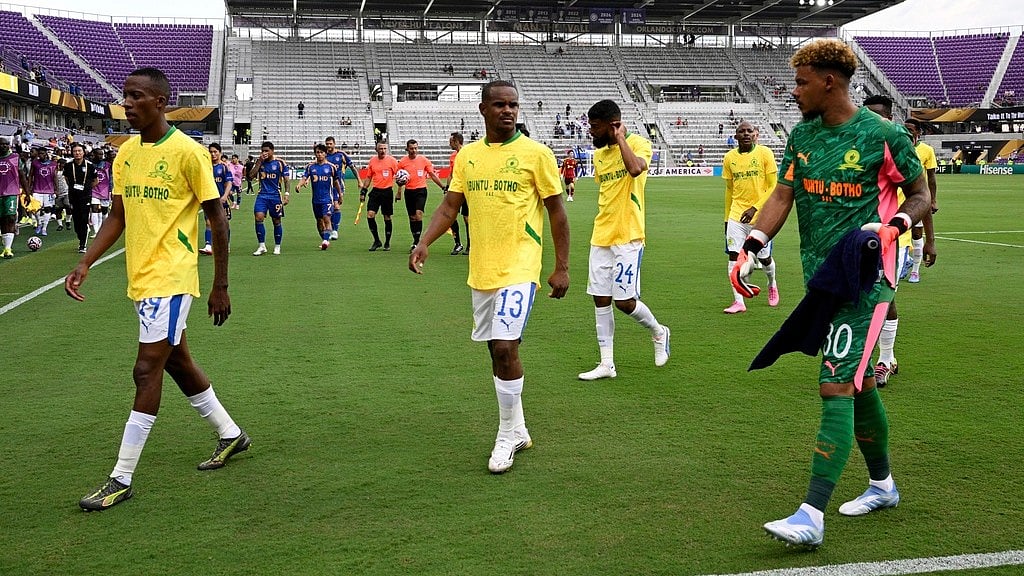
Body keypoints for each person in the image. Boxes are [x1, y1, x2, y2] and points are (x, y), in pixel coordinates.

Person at [733, 39, 931, 548]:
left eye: (801, 82)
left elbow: (921, 193)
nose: (794, 91)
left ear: (830, 81)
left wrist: (898, 224)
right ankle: (883, 486)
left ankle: (811, 514)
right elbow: (783, 194)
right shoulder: (801, 135)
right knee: (859, 383)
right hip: (821, 280)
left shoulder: (882, 135)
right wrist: (753, 244)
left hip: (868, 280)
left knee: (836, 385)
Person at [65, 67, 248, 511]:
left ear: (161, 102)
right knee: (176, 362)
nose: (126, 104)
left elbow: (217, 219)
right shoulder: (125, 153)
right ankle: (231, 434)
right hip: (141, 277)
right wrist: (86, 261)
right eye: (125, 96)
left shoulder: (188, 153)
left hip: (173, 275)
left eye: (136, 96)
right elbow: (118, 215)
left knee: (146, 369)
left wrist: (220, 284)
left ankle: (120, 477)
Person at [409, 80, 569, 474]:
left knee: (503, 346)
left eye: (513, 104)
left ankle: (505, 435)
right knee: (494, 349)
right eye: (499, 105)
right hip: (482, 269)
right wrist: (425, 241)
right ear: (483, 109)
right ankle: (519, 427)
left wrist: (562, 266)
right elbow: (450, 205)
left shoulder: (536, 154)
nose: (508, 111)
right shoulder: (468, 156)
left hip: (521, 265)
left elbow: (557, 212)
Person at [577, 99, 670, 381]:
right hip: (601, 234)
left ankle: (658, 331)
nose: (591, 132)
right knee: (601, 299)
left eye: (595, 127)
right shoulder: (598, 156)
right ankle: (607, 364)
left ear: (612, 124)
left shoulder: (639, 143)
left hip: (629, 234)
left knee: (625, 301)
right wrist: (610, 141)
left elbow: (634, 169)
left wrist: (620, 139)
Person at [861, 97, 937, 388]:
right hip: (862, 239)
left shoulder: (903, 151)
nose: (874, 121)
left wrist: (929, 239)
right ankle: (877, 357)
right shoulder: (862, 147)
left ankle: (884, 360)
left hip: (896, 238)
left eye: (879, 116)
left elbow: (921, 198)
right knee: (862, 298)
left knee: (884, 298)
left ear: (890, 117)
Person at [722, 121, 780, 313]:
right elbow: (729, 190)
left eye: (749, 131)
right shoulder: (729, 158)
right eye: (741, 131)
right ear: (735, 136)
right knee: (733, 256)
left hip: (762, 217)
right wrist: (726, 218)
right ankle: (739, 302)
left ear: (756, 134)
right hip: (736, 216)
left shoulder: (765, 153)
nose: (746, 134)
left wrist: (755, 208)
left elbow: (772, 186)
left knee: (764, 259)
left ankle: (772, 283)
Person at [903, 118, 937, 284]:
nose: (908, 132)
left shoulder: (926, 150)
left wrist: (933, 200)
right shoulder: (898, 147)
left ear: (918, 132)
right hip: (898, 198)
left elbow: (931, 177)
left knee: (917, 234)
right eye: (905, 128)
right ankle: (902, 261)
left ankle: (915, 270)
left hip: (918, 198)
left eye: (911, 129)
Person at [397, 139, 447, 252]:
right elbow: (399, 179)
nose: (414, 150)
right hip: (409, 191)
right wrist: (399, 191)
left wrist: (443, 187)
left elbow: (432, 175)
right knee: (412, 217)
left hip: (421, 191)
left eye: (415, 148)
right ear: (407, 149)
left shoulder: (423, 160)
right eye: (411, 148)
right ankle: (415, 239)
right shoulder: (402, 162)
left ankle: (417, 241)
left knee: (418, 214)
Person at [296, 143, 341, 250]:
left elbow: (336, 182)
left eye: (321, 152)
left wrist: (340, 195)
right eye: (317, 152)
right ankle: (324, 239)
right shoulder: (310, 167)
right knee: (319, 221)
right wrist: (299, 185)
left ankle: (326, 240)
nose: (319, 154)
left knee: (327, 219)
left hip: (327, 199)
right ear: (315, 154)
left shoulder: (331, 167)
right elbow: (304, 177)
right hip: (316, 200)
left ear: (325, 154)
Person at [249, 141, 289, 256]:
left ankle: (277, 246)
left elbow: (286, 179)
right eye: (262, 151)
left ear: (272, 151)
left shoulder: (280, 162)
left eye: (267, 151)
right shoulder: (259, 162)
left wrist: (286, 194)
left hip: (275, 196)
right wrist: (258, 163)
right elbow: (250, 177)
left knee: (276, 221)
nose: (264, 153)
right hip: (262, 195)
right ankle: (262, 246)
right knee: (258, 217)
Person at [357, 140, 399, 251]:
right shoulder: (372, 161)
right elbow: (368, 178)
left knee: (387, 217)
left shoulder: (392, 161)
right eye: (381, 148)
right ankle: (377, 240)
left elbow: (399, 176)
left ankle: (387, 242)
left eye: (385, 148)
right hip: (375, 192)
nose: (383, 151)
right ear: (376, 149)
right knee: (370, 215)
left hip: (387, 192)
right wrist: (363, 191)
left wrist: (399, 190)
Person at [199, 143, 235, 255]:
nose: (213, 154)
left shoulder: (224, 166)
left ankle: (226, 245)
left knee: (224, 223)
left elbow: (229, 182)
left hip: (221, 200)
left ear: (220, 152)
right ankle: (208, 246)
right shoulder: (206, 166)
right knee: (209, 222)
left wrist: (225, 196)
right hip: (209, 199)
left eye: (215, 152)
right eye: (211, 152)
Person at [63, 142, 97, 253]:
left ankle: (83, 244)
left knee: (84, 219)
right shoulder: (68, 165)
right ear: (72, 153)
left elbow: (96, 181)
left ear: (83, 152)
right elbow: (67, 179)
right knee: (76, 221)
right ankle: (80, 236)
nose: (77, 153)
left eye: (79, 151)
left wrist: (86, 188)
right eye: (75, 151)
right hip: (73, 196)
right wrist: (74, 188)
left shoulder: (90, 165)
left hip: (85, 196)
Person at [0, 137, 29, 259]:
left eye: (6, 144)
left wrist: (27, 193)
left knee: (10, 218)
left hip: (11, 193)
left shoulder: (15, 158)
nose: (4, 146)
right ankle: (4, 246)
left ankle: (8, 248)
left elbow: (22, 176)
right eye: (2, 144)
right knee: (1, 220)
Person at [324, 136, 358, 240]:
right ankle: (329, 229)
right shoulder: (324, 155)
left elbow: (352, 167)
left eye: (330, 144)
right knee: (328, 210)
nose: (329, 146)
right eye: (327, 144)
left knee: (336, 206)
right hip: (326, 187)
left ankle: (335, 231)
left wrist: (359, 180)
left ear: (334, 144)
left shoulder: (341, 155)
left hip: (338, 185)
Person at [28, 147, 59, 236]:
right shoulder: (35, 163)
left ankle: (44, 228)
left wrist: (56, 189)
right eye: (39, 153)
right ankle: (39, 223)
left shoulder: (53, 164)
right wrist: (29, 187)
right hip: (37, 189)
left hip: (49, 190)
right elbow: (30, 175)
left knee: (48, 209)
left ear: (46, 154)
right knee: (36, 208)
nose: (40, 155)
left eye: (42, 153)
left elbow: (55, 177)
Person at [447, 132, 469, 255]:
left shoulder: (468, 154)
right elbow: (450, 174)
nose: (449, 144)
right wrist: (447, 189)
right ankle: (458, 243)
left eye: (451, 141)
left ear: (456, 141)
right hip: (455, 190)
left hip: (466, 190)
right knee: (451, 217)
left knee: (467, 218)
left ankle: (470, 245)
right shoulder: (452, 157)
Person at [88, 148, 113, 239]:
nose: (100, 156)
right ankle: (96, 231)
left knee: (104, 211)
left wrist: (111, 190)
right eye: (98, 154)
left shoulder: (108, 165)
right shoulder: (90, 165)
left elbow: (110, 178)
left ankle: (103, 229)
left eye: (102, 154)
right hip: (94, 189)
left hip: (105, 190)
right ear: (93, 154)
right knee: (94, 208)